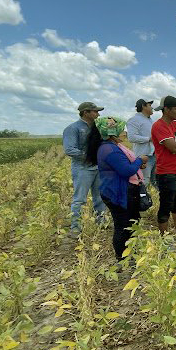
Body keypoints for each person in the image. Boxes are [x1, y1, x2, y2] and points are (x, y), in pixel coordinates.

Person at [96, 116, 148, 261]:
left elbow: (126, 166)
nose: (124, 133)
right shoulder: (110, 149)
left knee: (131, 222)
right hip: (117, 193)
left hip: (121, 190)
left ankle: (130, 253)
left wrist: (137, 165)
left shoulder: (113, 146)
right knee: (122, 225)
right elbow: (126, 170)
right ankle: (122, 258)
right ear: (112, 133)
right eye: (121, 130)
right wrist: (140, 160)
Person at [63, 101, 107, 235]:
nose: (98, 114)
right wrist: (89, 156)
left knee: (100, 197)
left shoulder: (98, 127)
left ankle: (102, 222)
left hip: (97, 167)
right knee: (80, 199)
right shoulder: (73, 128)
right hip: (82, 168)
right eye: (95, 111)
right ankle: (75, 228)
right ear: (85, 112)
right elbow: (69, 149)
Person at [151, 96, 176, 235]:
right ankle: (164, 238)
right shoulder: (158, 126)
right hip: (167, 173)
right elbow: (174, 148)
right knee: (166, 206)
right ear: (166, 109)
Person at [126, 99, 156, 187]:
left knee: (155, 182)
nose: (152, 108)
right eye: (150, 105)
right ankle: (142, 200)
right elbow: (131, 137)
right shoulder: (134, 120)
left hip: (154, 155)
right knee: (144, 182)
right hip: (143, 156)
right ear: (143, 106)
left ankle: (151, 200)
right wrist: (149, 139)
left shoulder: (151, 120)